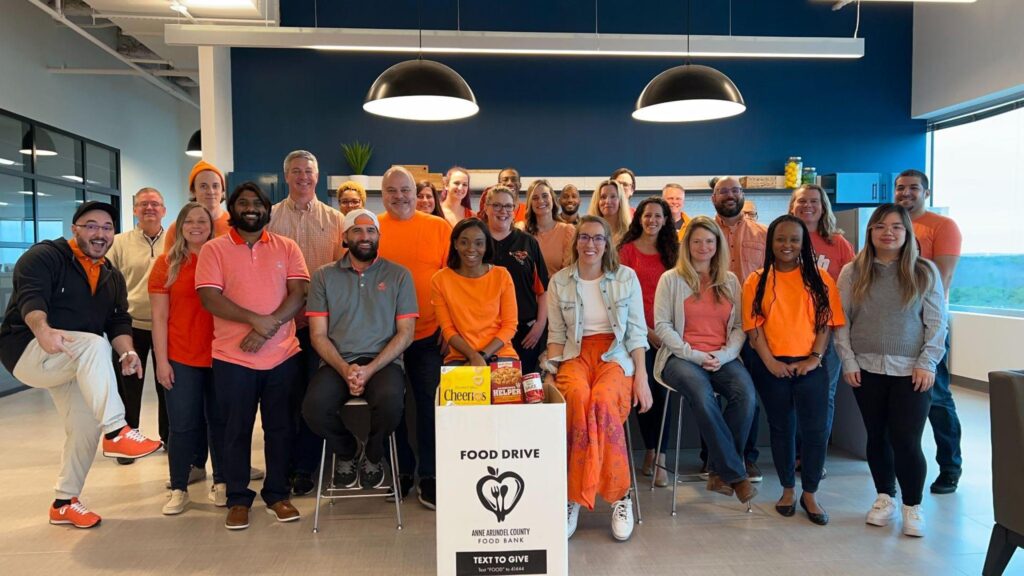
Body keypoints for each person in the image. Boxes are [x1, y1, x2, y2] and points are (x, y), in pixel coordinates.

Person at [0, 201, 162, 529]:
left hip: (72, 360)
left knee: (85, 429)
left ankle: (64, 501)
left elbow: (118, 320)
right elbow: (31, 296)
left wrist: (127, 352)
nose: (99, 233)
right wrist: (42, 329)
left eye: (106, 228)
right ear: (75, 228)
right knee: (92, 343)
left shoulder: (111, 276)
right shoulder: (46, 256)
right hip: (27, 349)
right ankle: (117, 430)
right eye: (91, 225)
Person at [196, 181, 310, 530]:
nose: (250, 208)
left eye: (257, 203)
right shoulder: (214, 250)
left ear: (267, 209)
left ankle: (277, 494)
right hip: (232, 358)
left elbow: (300, 291)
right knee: (235, 429)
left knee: (280, 428)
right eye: (243, 203)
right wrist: (254, 321)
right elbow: (208, 297)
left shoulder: (287, 247)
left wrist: (269, 326)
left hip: (282, 355)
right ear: (233, 209)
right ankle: (237, 498)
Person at [835, 203, 946, 538]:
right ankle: (885, 497)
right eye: (881, 226)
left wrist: (927, 362)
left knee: (906, 439)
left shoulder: (924, 271)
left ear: (907, 232)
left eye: (897, 227)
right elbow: (841, 321)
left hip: (912, 371)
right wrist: (848, 360)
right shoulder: (853, 272)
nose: (888, 232)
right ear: (870, 232)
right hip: (866, 368)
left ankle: (913, 505)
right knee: (877, 436)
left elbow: (937, 323)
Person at [544, 215, 652, 542]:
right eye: (585, 238)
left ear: (607, 244)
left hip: (616, 354)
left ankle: (620, 496)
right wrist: (550, 374)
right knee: (575, 397)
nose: (590, 244)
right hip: (575, 354)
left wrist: (642, 378)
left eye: (598, 238)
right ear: (575, 241)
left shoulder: (625, 277)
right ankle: (574, 495)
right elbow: (557, 335)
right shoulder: (560, 281)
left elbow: (635, 332)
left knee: (603, 402)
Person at [302, 209, 417, 489]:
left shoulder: (399, 275)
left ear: (378, 236)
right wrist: (345, 368)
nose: (364, 237)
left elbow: (406, 334)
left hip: (384, 362)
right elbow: (317, 335)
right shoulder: (323, 276)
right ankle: (348, 449)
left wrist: (369, 370)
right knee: (313, 409)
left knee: (391, 403)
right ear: (344, 237)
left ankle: (374, 455)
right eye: (357, 230)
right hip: (336, 362)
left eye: (371, 231)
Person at [742, 214, 845, 526]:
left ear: (803, 244)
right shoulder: (756, 280)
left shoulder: (821, 280)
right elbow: (753, 329)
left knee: (816, 429)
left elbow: (825, 323)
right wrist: (770, 362)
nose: (787, 245)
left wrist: (814, 358)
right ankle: (788, 489)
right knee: (782, 428)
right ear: (771, 243)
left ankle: (810, 492)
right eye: (781, 239)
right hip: (771, 365)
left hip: (811, 363)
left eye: (794, 240)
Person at [654, 216, 756, 504]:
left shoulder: (730, 280)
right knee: (701, 393)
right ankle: (735, 474)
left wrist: (723, 356)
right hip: (681, 358)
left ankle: (720, 471)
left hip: (723, 357)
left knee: (746, 396)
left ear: (717, 245)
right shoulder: (671, 279)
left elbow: (738, 327)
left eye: (709, 241)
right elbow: (662, 326)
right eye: (697, 241)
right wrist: (696, 355)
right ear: (687, 245)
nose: (703, 246)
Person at [267, 150, 345, 496]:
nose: (303, 177)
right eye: (296, 171)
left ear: (317, 176)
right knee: (282, 399)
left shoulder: (335, 219)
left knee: (314, 398)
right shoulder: (270, 219)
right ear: (286, 176)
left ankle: (305, 467)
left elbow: (343, 275)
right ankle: (281, 467)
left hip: (320, 326)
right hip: (280, 323)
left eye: (309, 172)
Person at [376, 165, 452, 510]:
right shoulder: (373, 227)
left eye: (405, 190)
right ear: (383, 194)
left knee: (428, 407)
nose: (400, 197)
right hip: (383, 339)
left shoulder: (438, 227)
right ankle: (401, 471)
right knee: (392, 406)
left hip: (429, 334)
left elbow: (454, 282)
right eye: (392, 191)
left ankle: (431, 476)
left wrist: (452, 330)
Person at [150, 202, 227, 515]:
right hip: (181, 355)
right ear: (180, 226)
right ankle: (179, 487)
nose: (197, 226)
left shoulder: (223, 259)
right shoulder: (166, 264)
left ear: (211, 226)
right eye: (190, 221)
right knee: (182, 426)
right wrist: (161, 361)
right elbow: (158, 317)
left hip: (221, 355)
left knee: (220, 423)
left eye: (203, 221)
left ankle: (221, 482)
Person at [894, 169, 963, 495]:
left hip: (928, 325)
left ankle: (950, 466)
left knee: (937, 397)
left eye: (913, 188)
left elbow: (942, 279)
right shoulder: (895, 226)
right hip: (896, 328)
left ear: (927, 192)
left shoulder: (942, 226)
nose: (905, 193)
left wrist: (924, 323)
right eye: (900, 188)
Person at [700, 175, 768, 481]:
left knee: (747, 391)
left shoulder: (763, 234)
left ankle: (744, 455)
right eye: (722, 191)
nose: (729, 195)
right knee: (707, 394)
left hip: (753, 326)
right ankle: (711, 456)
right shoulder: (700, 233)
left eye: (735, 190)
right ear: (713, 198)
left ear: (743, 194)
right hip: (709, 326)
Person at [789, 184, 855, 471]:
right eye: (802, 201)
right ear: (792, 206)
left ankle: (815, 457)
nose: (808, 205)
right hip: (789, 330)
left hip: (827, 330)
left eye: (814, 201)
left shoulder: (838, 244)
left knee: (822, 396)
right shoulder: (784, 239)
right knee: (791, 397)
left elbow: (850, 286)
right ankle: (792, 454)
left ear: (824, 206)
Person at [617, 197, 679, 487]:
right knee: (642, 391)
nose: (652, 220)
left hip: (668, 335)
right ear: (638, 218)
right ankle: (650, 450)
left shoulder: (674, 252)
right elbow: (623, 297)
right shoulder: (626, 251)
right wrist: (647, 331)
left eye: (658, 215)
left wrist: (663, 331)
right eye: (647, 215)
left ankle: (661, 458)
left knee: (664, 392)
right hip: (637, 334)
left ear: (666, 220)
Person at [106, 188, 168, 464]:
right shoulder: (119, 243)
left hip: (167, 326)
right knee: (128, 385)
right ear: (134, 210)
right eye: (143, 204)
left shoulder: (175, 240)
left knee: (167, 384)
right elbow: (109, 283)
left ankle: (170, 438)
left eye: (155, 204)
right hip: (130, 327)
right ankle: (128, 440)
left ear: (164, 210)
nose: (149, 209)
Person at [431, 218, 520, 366]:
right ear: (455, 244)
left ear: (486, 246)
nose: (471, 249)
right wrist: (473, 356)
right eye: (464, 242)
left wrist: (482, 355)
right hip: (461, 357)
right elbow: (447, 330)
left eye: (479, 243)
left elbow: (510, 326)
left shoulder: (502, 276)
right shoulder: (440, 280)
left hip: (500, 354)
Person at [482, 187, 548, 373]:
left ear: (515, 210)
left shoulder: (528, 242)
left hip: (524, 332)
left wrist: (539, 326)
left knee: (520, 391)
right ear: (486, 208)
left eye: (508, 206)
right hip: (485, 331)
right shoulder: (477, 242)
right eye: (497, 205)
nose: (503, 211)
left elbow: (543, 290)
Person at [164, 160, 231, 249]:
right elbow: (167, 262)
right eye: (203, 186)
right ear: (193, 191)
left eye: (215, 186)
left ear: (222, 191)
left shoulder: (235, 225)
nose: (210, 191)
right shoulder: (177, 228)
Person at [523, 179, 575, 278]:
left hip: (556, 290)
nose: (541, 201)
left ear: (553, 198)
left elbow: (568, 273)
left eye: (545, 196)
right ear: (530, 203)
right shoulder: (522, 231)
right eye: (535, 198)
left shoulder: (567, 231)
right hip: (528, 291)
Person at [588, 179, 631, 247]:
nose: (608, 201)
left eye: (613, 196)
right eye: (603, 197)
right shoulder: (588, 232)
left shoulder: (630, 234)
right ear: (597, 202)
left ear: (620, 201)